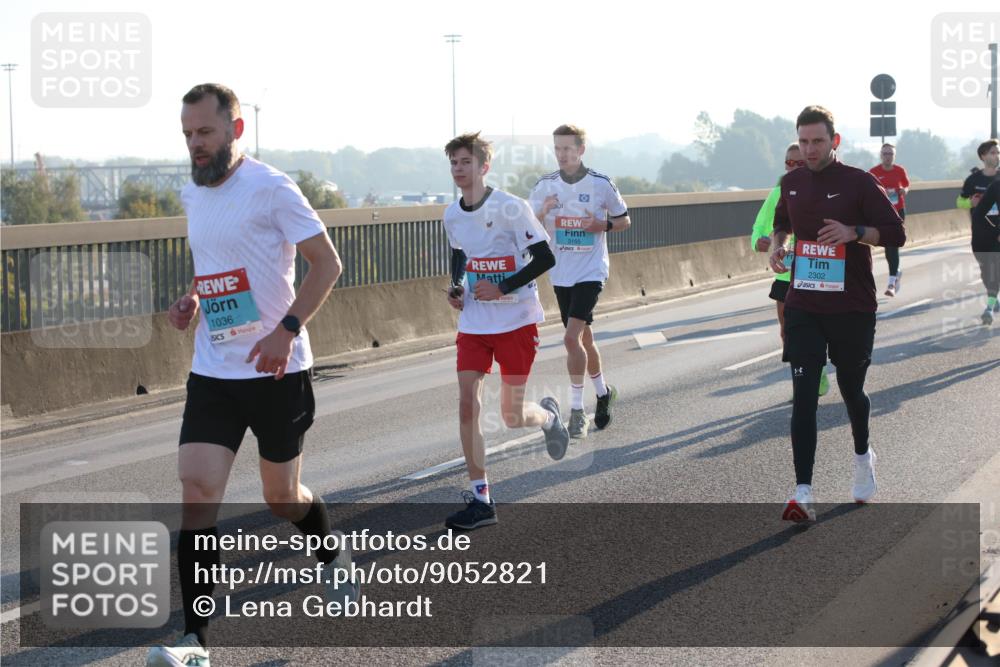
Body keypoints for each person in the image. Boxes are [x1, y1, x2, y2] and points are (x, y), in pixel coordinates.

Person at [147, 84, 356, 667]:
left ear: (235, 130)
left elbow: (327, 264)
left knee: (281, 498)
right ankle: (195, 641)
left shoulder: (272, 189)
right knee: (197, 492)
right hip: (214, 369)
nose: (194, 144)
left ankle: (329, 550)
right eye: (187, 134)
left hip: (276, 370)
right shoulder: (194, 192)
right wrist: (192, 300)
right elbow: (211, 262)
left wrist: (286, 329)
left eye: (205, 132)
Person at [769, 106, 905, 522]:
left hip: (852, 306)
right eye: (803, 141)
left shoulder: (858, 182)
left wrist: (854, 233)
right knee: (804, 395)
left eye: (817, 141)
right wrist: (778, 245)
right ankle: (803, 492)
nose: (809, 149)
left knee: (851, 389)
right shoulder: (791, 183)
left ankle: (863, 455)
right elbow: (781, 223)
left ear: (835, 141)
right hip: (804, 303)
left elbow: (897, 232)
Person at [442, 132, 568, 531]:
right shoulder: (452, 214)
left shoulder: (511, 207)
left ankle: (547, 418)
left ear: (484, 166)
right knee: (467, 403)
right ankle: (482, 499)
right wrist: (457, 287)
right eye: (454, 163)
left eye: (466, 162)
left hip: (516, 320)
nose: (459, 169)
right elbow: (460, 254)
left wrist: (503, 287)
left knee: (512, 416)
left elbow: (544, 257)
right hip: (475, 322)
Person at [528, 125, 631, 439]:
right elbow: (526, 227)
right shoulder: (545, 185)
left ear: (581, 150)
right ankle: (603, 393)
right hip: (561, 273)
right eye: (557, 149)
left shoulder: (600, 183)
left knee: (571, 339)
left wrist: (602, 224)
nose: (562, 155)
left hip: (591, 271)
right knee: (584, 338)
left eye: (568, 149)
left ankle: (577, 412)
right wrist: (541, 212)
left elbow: (624, 220)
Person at [751, 142, 830, 398]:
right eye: (789, 163)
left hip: (816, 273)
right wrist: (759, 242)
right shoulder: (779, 191)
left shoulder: (826, 189)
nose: (793, 167)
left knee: (816, 332)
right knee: (788, 333)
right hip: (786, 275)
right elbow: (760, 226)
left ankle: (815, 375)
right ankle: (802, 383)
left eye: (800, 163)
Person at [957, 139, 1000, 325]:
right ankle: (993, 296)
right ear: (983, 156)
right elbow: (959, 202)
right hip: (980, 233)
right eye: (993, 153)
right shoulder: (973, 180)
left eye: (998, 153)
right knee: (986, 271)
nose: (997, 156)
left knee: (995, 270)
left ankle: (989, 306)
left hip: (997, 233)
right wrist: (970, 203)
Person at [868, 144, 910, 296]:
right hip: (881, 214)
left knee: (893, 245)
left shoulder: (900, 170)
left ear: (894, 156)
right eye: (885, 153)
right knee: (888, 246)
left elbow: (906, 185)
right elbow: (867, 191)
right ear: (881, 155)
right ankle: (896, 272)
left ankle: (892, 282)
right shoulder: (873, 172)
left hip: (898, 212)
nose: (888, 156)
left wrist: (904, 190)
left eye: (890, 154)